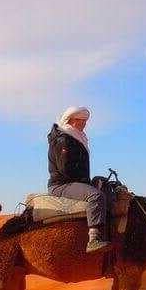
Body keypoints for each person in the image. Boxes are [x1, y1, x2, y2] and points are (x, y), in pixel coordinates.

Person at [47, 106, 110, 253]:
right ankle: (94, 239)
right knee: (96, 195)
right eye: (80, 120)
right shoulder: (63, 140)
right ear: (71, 120)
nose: (84, 124)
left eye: (85, 121)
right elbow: (65, 169)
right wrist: (85, 182)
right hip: (61, 185)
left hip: (73, 182)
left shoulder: (76, 138)